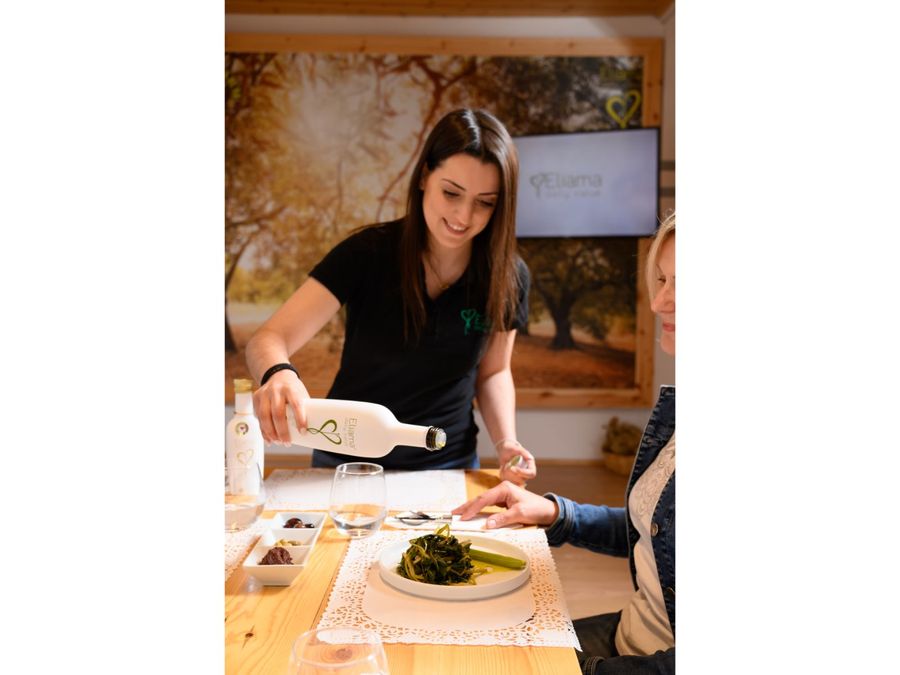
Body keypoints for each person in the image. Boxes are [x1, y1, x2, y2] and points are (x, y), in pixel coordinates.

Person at [245, 108, 536, 484]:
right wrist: (279, 374)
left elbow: (494, 371)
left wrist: (506, 441)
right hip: (346, 461)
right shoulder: (366, 253)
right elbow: (268, 339)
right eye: (451, 193)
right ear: (424, 177)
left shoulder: (509, 276)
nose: (464, 216)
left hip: (447, 462)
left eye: (485, 202)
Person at [454, 213, 676, 674]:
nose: (659, 302)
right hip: (628, 635)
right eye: (662, 280)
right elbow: (654, 534)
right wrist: (556, 513)